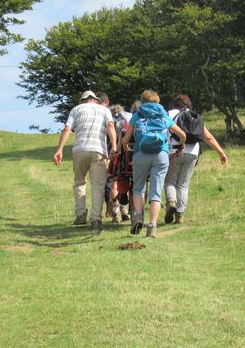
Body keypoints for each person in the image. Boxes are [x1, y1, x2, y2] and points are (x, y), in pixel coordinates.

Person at [119, 90, 186, 238]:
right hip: (161, 155)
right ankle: (152, 226)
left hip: (140, 153)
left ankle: (138, 217)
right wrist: (180, 145)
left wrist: (126, 147)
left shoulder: (138, 114)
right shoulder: (163, 114)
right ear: (157, 101)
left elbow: (125, 139)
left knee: (138, 188)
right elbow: (182, 135)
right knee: (156, 192)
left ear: (142, 101)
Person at [53, 90, 117, 231]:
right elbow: (111, 126)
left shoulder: (76, 109)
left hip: (80, 150)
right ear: (95, 99)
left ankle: (81, 215)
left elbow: (67, 129)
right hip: (98, 150)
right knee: (98, 186)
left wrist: (59, 149)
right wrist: (114, 145)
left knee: (79, 183)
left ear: (83, 100)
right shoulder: (104, 110)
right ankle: (96, 220)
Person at [165, 94, 228, 224]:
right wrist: (221, 152)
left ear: (175, 104)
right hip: (193, 152)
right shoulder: (194, 116)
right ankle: (180, 215)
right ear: (189, 104)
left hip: (174, 151)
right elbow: (208, 137)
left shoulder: (169, 114)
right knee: (183, 184)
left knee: (170, 181)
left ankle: (171, 202)